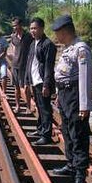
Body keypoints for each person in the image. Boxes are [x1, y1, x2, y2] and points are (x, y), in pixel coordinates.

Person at [51, 15, 92, 183]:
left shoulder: (81, 49)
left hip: (76, 95)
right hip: (65, 94)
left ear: (65, 31)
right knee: (67, 131)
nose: (56, 37)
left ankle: (80, 175)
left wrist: (85, 105)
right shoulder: (68, 49)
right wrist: (59, 96)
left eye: (57, 33)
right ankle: (70, 164)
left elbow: (85, 78)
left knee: (78, 134)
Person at [25, 17, 57, 146]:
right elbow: (30, 63)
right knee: (39, 106)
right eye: (31, 28)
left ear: (42, 28)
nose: (32, 31)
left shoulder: (48, 44)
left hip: (42, 82)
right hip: (34, 80)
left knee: (45, 109)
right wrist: (27, 80)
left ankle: (46, 135)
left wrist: (46, 84)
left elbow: (49, 66)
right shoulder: (33, 43)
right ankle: (40, 129)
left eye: (35, 28)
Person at [10, 17, 33, 114]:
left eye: (16, 25)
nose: (14, 27)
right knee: (16, 88)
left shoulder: (28, 36)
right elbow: (14, 49)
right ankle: (18, 106)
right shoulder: (13, 37)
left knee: (26, 87)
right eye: (13, 26)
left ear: (20, 25)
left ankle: (28, 106)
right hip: (15, 65)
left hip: (25, 66)